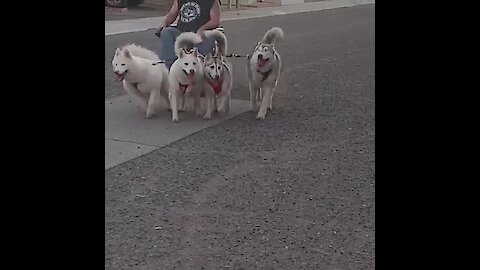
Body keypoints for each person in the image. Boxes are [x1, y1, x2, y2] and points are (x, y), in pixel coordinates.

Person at [157, 0, 221, 69]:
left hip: (200, 34)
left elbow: (215, 21)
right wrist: (164, 22)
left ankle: (202, 66)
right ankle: (170, 66)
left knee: (210, 36)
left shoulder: (212, 1)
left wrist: (202, 29)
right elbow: (172, 14)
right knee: (167, 32)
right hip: (181, 33)